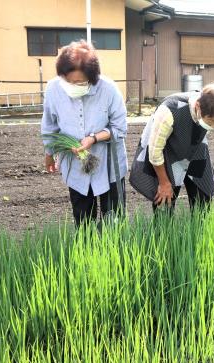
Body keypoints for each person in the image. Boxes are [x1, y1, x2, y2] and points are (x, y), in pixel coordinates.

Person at [42, 40, 128, 227]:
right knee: (83, 220)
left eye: (80, 82)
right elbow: (49, 125)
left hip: (108, 163)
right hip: (75, 164)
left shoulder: (108, 89)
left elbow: (120, 127)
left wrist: (93, 138)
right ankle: (87, 252)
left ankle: (113, 251)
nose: (73, 85)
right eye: (68, 81)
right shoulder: (53, 89)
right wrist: (49, 153)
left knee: (113, 220)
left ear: (92, 77)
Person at [129, 83, 214, 212]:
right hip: (168, 154)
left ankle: (197, 231)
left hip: (195, 150)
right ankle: (163, 231)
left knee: (203, 199)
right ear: (197, 106)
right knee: (164, 203)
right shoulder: (169, 111)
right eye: (212, 122)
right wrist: (164, 183)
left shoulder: (211, 106)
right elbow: (155, 151)